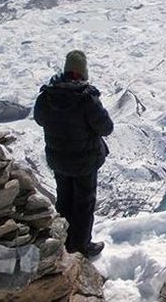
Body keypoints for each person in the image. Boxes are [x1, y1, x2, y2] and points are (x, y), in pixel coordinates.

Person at [33, 50, 114, 258]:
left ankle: (63, 240)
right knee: (84, 202)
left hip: (58, 159)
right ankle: (82, 246)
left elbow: (40, 119)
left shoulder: (46, 96)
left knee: (64, 199)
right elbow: (106, 128)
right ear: (83, 72)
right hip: (84, 160)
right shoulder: (86, 99)